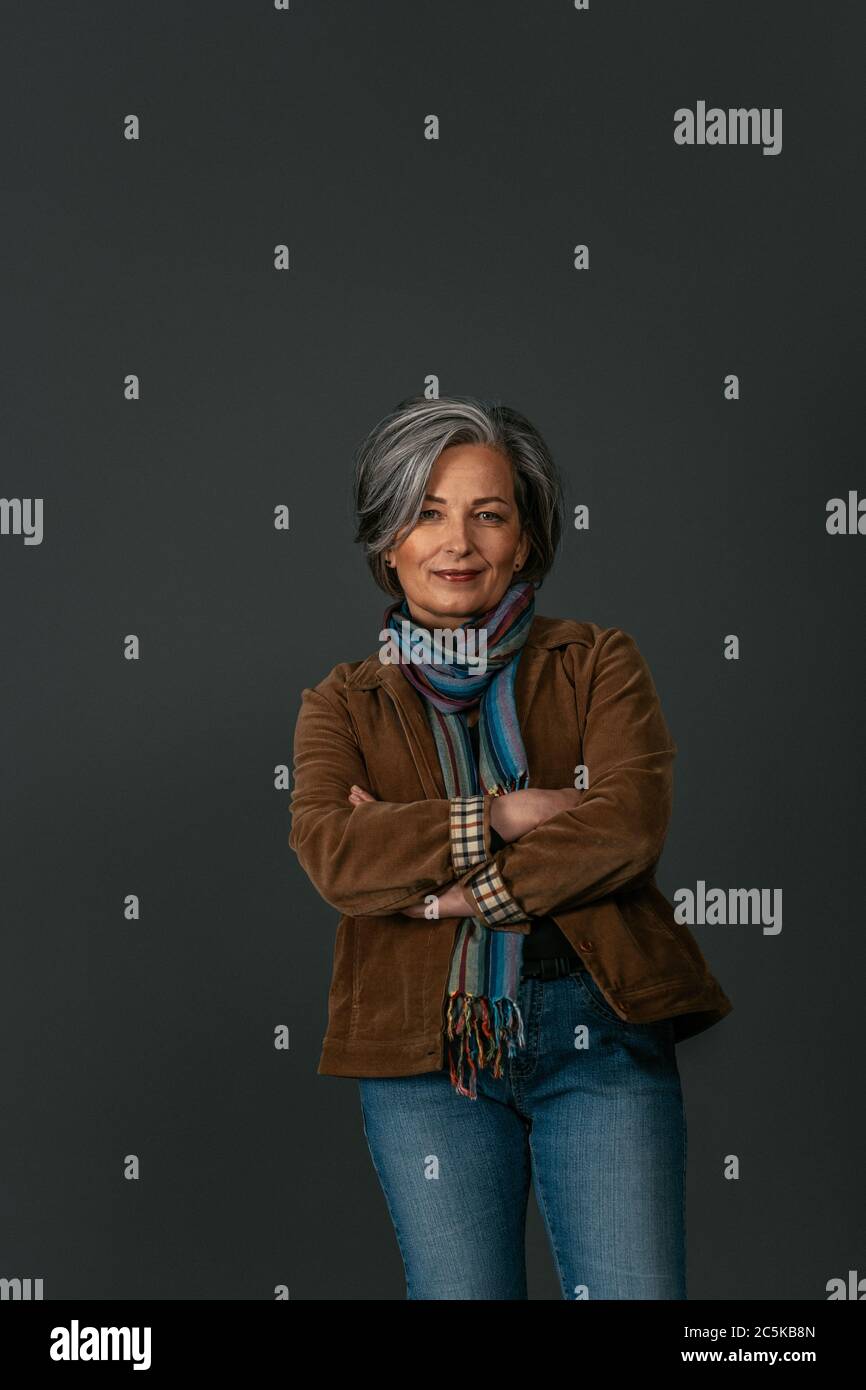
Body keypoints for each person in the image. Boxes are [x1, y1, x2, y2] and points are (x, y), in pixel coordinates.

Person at [288, 394, 733, 1299]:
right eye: (427, 512)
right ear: (387, 542)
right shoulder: (340, 703)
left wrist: (446, 893)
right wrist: (496, 813)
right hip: (425, 1056)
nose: (458, 542)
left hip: (597, 1029)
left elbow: (625, 827)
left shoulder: (598, 661)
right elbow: (336, 853)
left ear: (525, 540)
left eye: (488, 514)